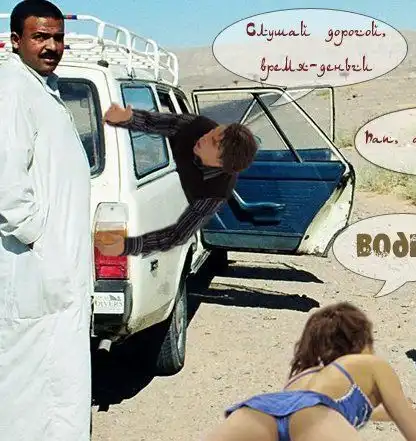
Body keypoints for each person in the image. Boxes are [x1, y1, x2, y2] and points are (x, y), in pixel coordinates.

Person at [0, 1, 93, 440]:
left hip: (59, 267)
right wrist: (41, 240)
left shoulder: (42, 89)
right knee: (30, 391)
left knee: (59, 385)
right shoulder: (11, 89)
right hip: (37, 266)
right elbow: (7, 184)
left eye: (57, 37)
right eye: (40, 37)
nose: (52, 46)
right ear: (15, 40)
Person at [201, 301, 416, 441]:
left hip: (257, 410)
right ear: (362, 341)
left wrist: (386, 413)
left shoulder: (306, 375)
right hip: (313, 417)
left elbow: (317, 410)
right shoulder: (370, 365)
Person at [95, 103, 258, 257]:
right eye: (213, 131)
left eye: (213, 143)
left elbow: (177, 235)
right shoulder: (197, 126)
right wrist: (127, 117)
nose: (205, 136)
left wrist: (127, 246)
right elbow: (155, 121)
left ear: (221, 163)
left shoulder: (215, 193)